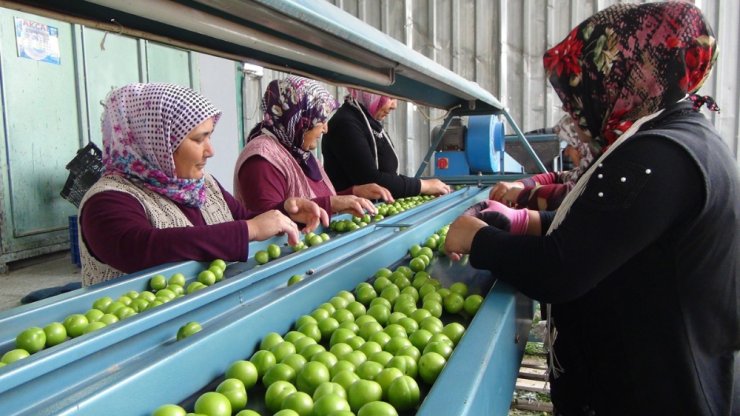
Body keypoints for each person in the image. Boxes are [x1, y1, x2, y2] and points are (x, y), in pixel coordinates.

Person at [445, 3, 738, 415]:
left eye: (578, 93)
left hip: (660, 394)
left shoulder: (658, 156)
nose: (573, 112)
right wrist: (526, 222)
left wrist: (479, 239)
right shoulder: (680, 138)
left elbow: (561, 269)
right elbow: (611, 232)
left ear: (618, 81)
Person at [79, 83, 327, 286]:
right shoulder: (106, 201)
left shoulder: (202, 184)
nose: (211, 151)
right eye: (199, 139)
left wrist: (286, 213)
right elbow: (141, 247)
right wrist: (248, 230)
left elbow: (243, 218)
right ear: (156, 142)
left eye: (210, 136)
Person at [234, 76, 391, 217]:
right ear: (300, 121)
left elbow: (313, 198)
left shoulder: (298, 150)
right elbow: (269, 219)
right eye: (320, 121)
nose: (325, 129)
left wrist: (353, 192)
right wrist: (332, 204)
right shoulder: (262, 160)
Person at [322, 87, 451, 198]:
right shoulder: (346, 124)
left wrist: (421, 188)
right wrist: (424, 186)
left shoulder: (368, 121)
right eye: (389, 97)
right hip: (353, 219)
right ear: (370, 93)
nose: (394, 106)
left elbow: (386, 173)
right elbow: (371, 182)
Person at [489, 115, 595, 210]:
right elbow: (557, 177)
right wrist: (519, 185)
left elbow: (565, 196)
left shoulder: (594, 182)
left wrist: (517, 194)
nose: (566, 153)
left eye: (570, 145)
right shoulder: (582, 172)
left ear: (582, 148)